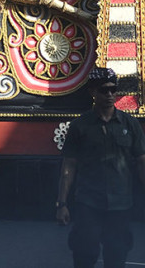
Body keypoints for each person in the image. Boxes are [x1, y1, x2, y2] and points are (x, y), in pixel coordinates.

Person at [57, 67, 145, 268]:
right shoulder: (80, 126)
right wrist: (61, 204)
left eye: (113, 90)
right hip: (88, 203)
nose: (110, 95)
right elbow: (69, 166)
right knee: (84, 254)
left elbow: (142, 162)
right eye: (104, 90)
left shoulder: (130, 124)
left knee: (116, 256)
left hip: (121, 205)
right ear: (93, 92)